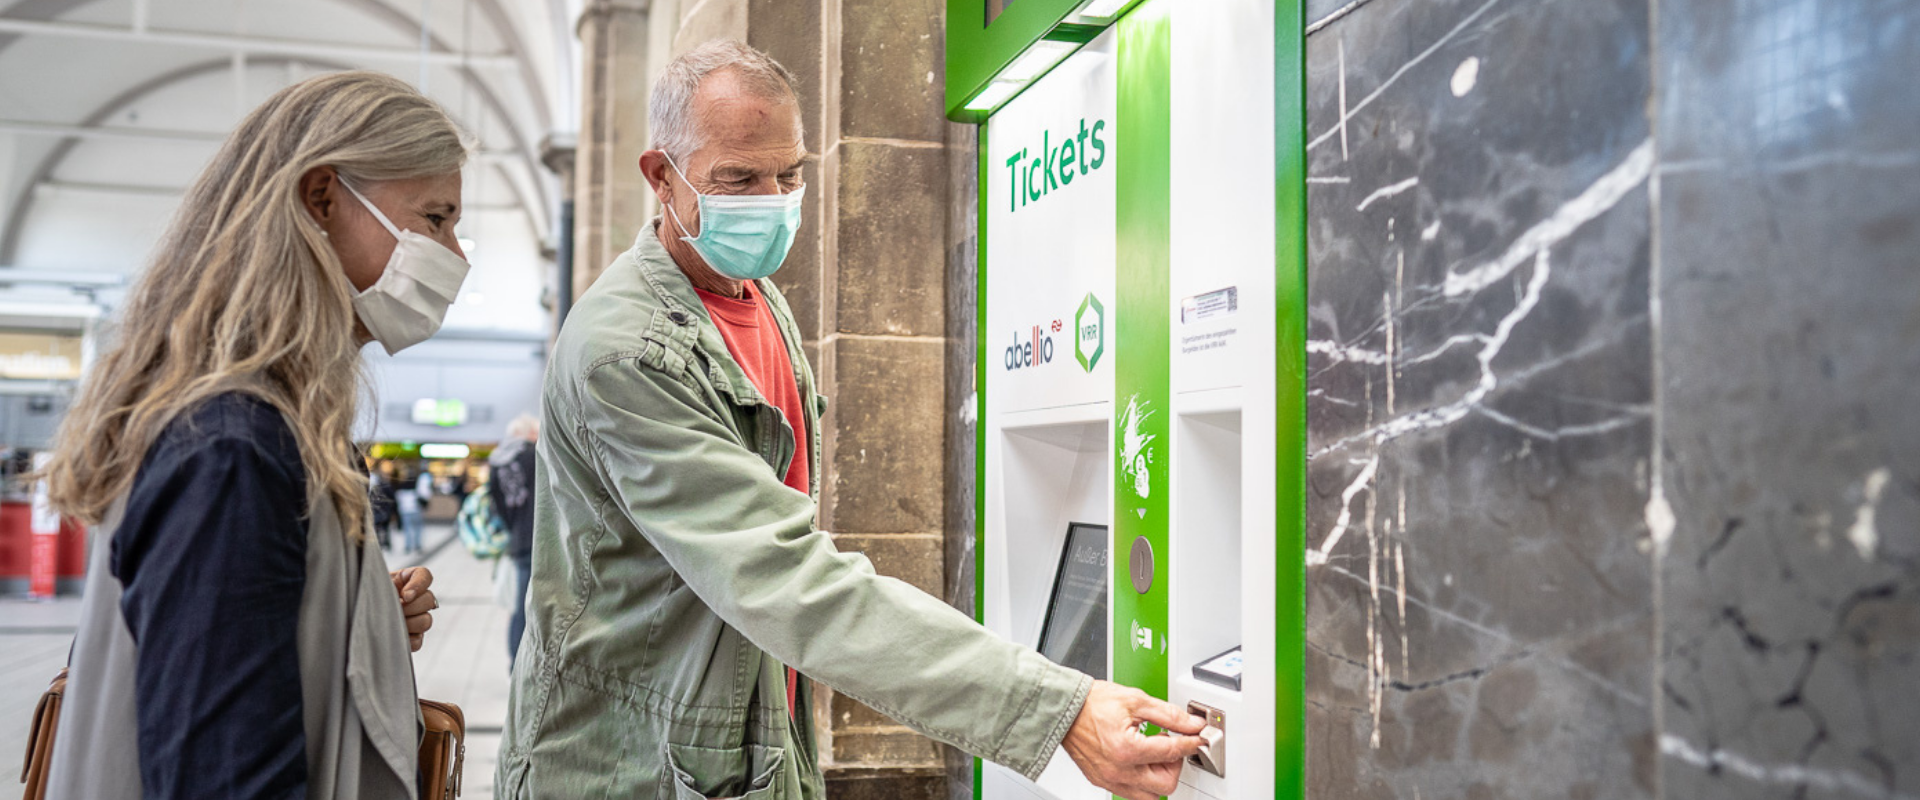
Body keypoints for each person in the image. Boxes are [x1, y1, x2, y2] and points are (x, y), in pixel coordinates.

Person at [496, 41, 1204, 800]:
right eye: (738, 178)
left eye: (789, 174)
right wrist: (1053, 711)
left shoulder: (758, 298)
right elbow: (780, 574)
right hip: (630, 763)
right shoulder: (627, 350)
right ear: (660, 176)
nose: (770, 199)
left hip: (736, 743)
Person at [40, 70, 470, 800]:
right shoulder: (234, 447)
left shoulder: (278, 424)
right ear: (322, 197)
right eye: (435, 219)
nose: (457, 255)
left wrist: (356, 630)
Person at [488, 414, 539, 668]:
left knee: (520, 604)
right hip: (538, 539)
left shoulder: (497, 460)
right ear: (530, 433)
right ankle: (522, 665)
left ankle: (514, 661)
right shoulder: (534, 454)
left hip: (518, 539)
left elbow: (497, 504)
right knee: (531, 605)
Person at [397, 467, 427, 554]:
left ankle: (408, 546)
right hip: (416, 509)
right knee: (418, 528)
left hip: (405, 510)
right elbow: (423, 495)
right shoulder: (417, 485)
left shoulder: (401, 486)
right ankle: (417, 545)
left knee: (407, 529)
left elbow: (398, 499)